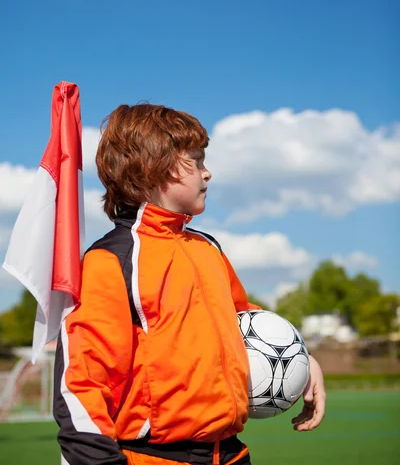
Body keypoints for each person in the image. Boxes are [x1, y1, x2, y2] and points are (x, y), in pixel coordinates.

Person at [53, 103, 326, 465]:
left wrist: (301, 359)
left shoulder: (207, 247)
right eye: (196, 161)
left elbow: (243, 321)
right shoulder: (111, 261)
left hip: (230, 454)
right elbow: (82, 383)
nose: (207, 173)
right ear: (154, 169)